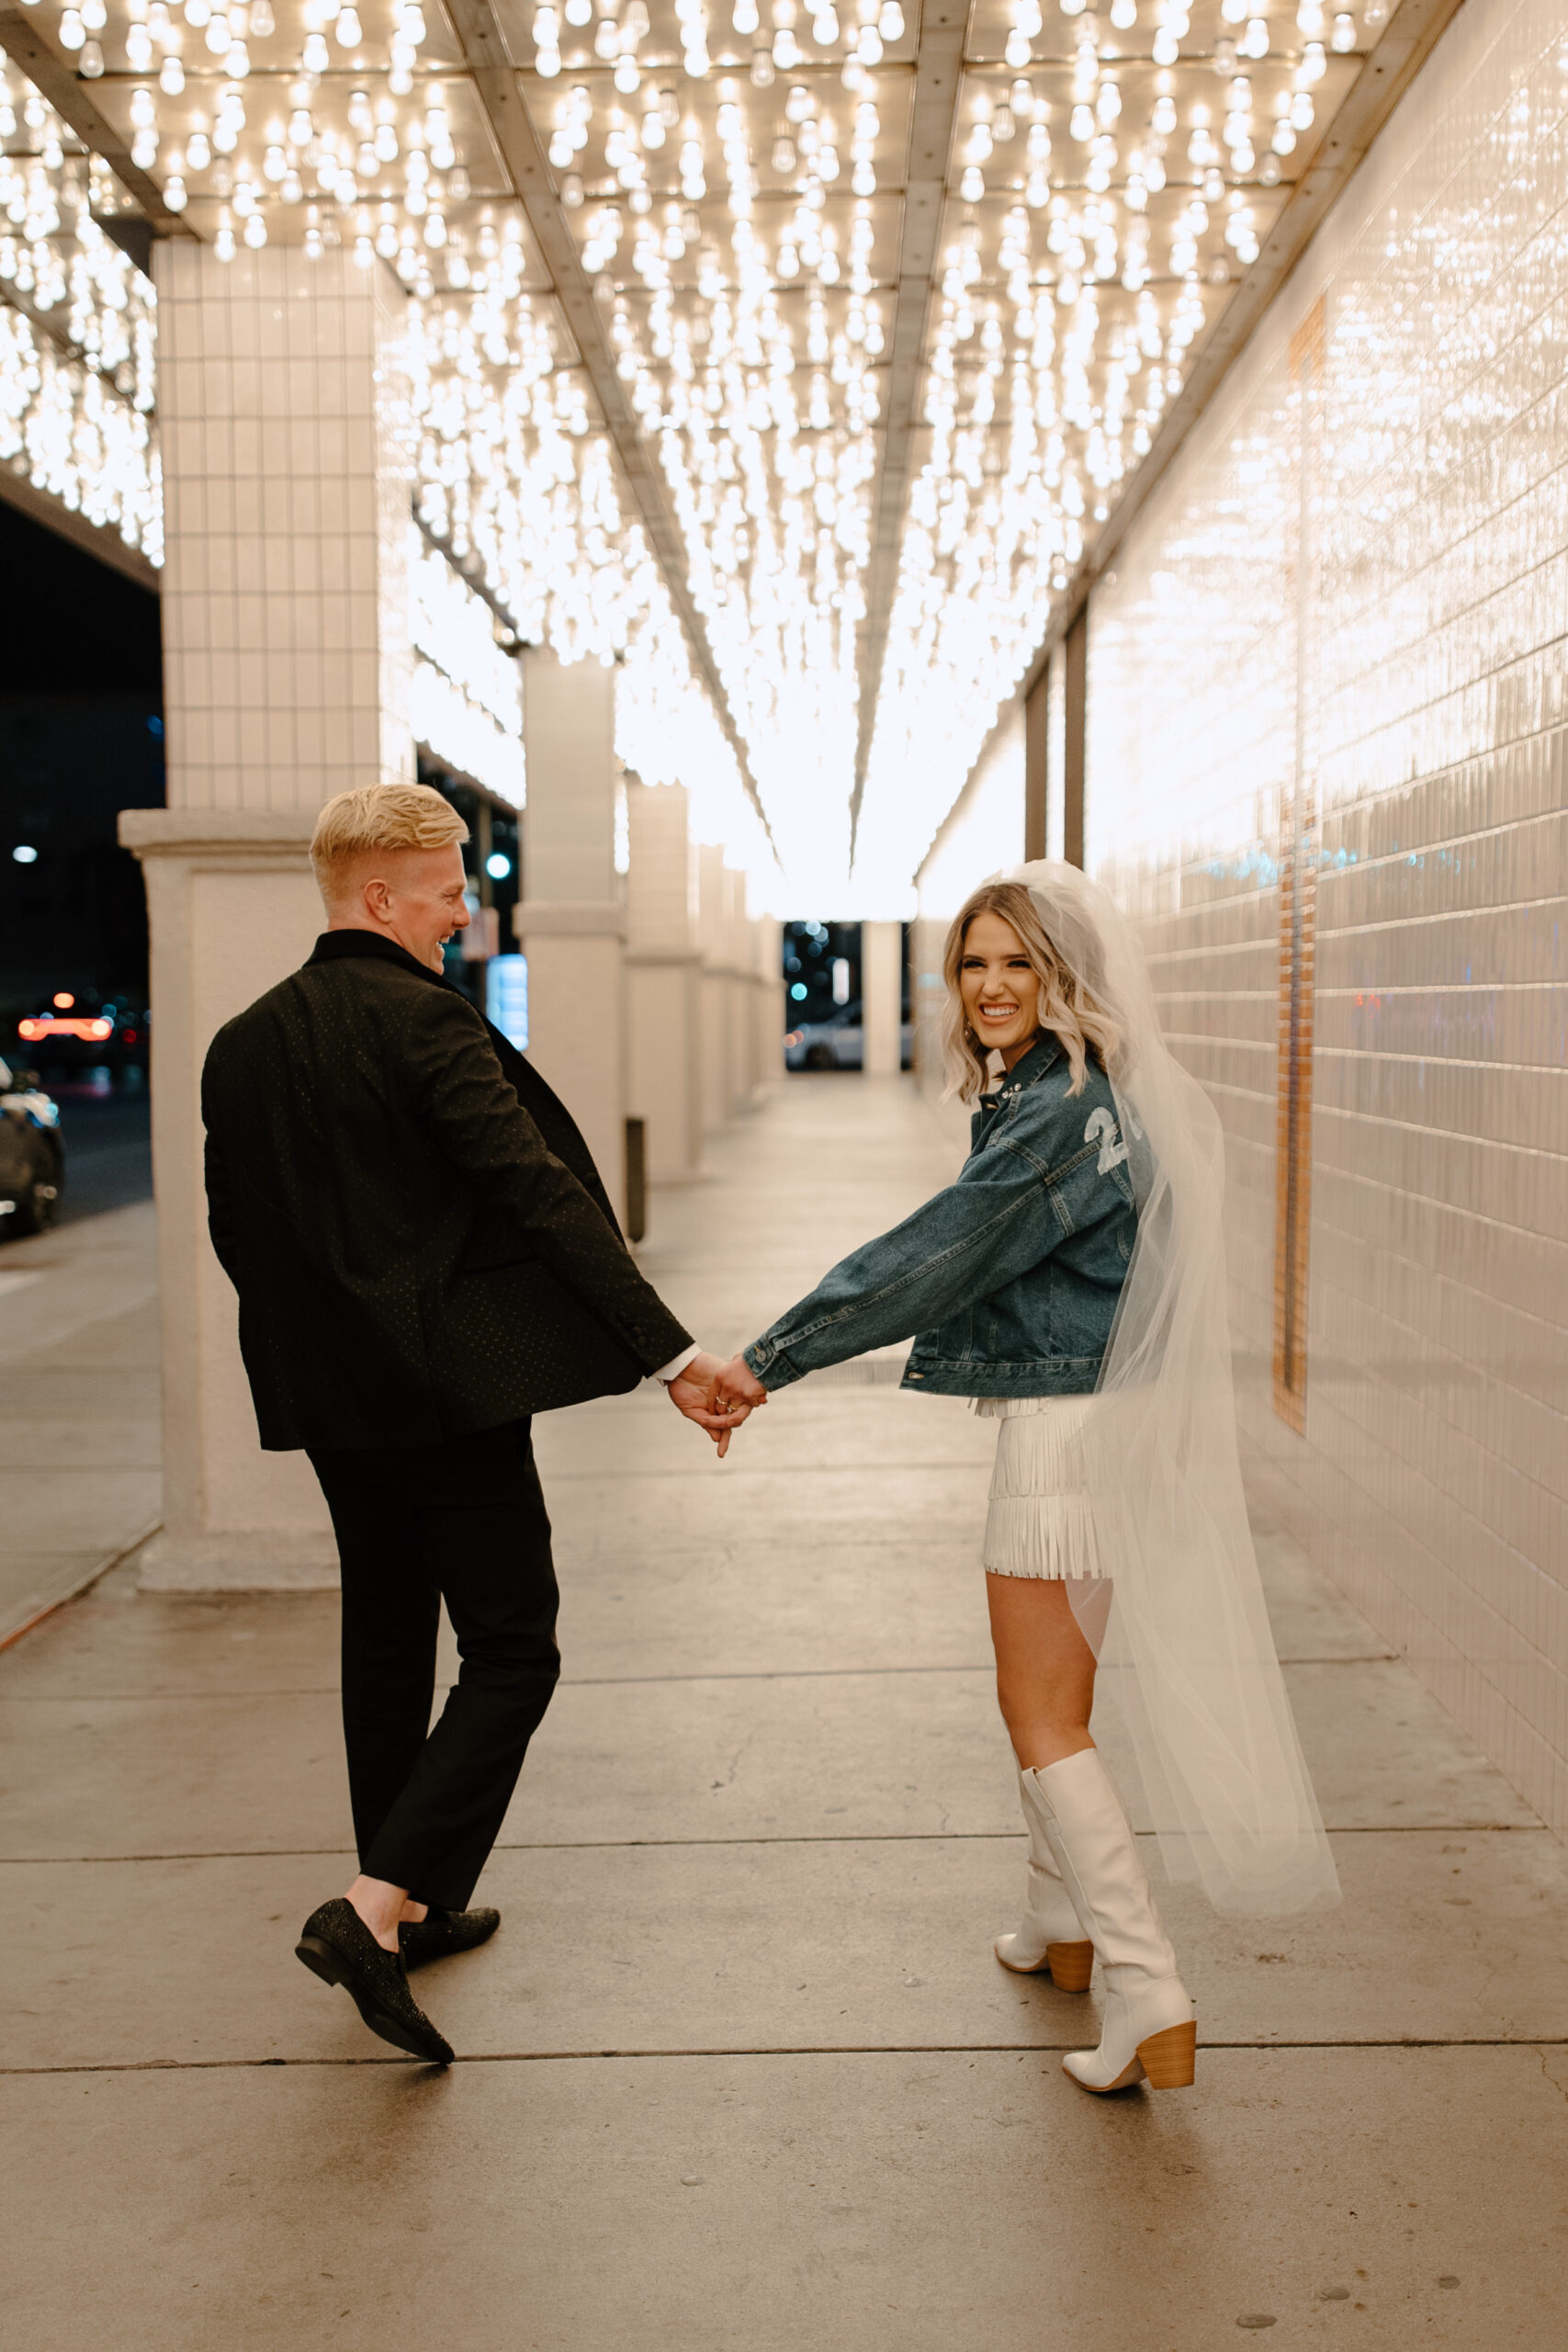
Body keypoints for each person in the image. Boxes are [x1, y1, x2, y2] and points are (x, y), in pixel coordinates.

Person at [707, 863, 1340, 2096]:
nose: (992, 986)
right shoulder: (1082, 1093)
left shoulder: (1052, 1117)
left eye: (1018, 964)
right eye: (974, 963)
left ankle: (1148, 1988)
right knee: (1061, 1693)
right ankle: (1058, 1923)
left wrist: (766, 1359)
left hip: (1065, 1438)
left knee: (1039, 1715)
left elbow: (925, 1261)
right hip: (1108, 1419)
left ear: (1065, 977)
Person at [202, 782, 728, 2066]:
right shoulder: (430, 1029)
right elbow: (539, 1196)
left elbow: (239, 1236)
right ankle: (372, 1907)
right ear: (380, 898)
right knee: (515, 1652)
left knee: (384, 1638)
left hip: (335, 1401)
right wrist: (668, 1350)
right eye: (447, 894)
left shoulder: (242, 1042)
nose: (465, 915)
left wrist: (322, 1351)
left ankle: (411, 1912)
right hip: (446, 1398)